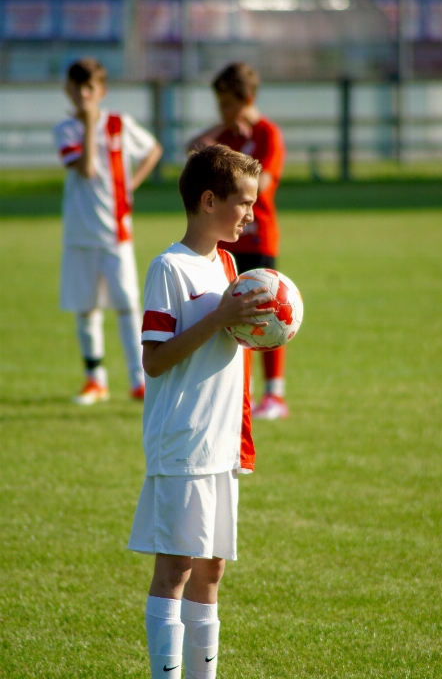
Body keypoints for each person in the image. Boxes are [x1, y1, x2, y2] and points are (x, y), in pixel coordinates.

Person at [128, 145, 272, 678]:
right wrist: (219, 319)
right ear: (208, 201)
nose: (251, 215)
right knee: (175, 570)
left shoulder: (229, 263)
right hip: (184, 443)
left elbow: (228, 339)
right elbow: (156, 361)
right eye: (244, 203)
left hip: (221, 444)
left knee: (211, 571)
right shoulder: (169, 267)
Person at [53, 58, 162, 404]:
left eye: (90, 89)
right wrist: (87, 126)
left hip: (117, 231)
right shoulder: (66, 128)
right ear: (67, 90)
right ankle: (95, 379)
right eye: (77, 89)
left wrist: (131, 184)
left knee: (128, 304)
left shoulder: (119, 123)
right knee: (86, 307)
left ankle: (138, 379)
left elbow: (153, 149)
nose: (83, 96)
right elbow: (85, 169)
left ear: (102, 91)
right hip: (80, 233)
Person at [187, 62, 287, 420]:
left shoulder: (267, 134)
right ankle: (235, 392)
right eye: (219, 106)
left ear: (247, 99)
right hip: (227, 242)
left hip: (259, 238)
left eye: (228, 104)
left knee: (270, 313)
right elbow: (192, 150)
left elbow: (262, 186)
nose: (223, 112)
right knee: (229, 318)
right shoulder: (225, 136)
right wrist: (221, 128)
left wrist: (239, 155)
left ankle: (275, 394)